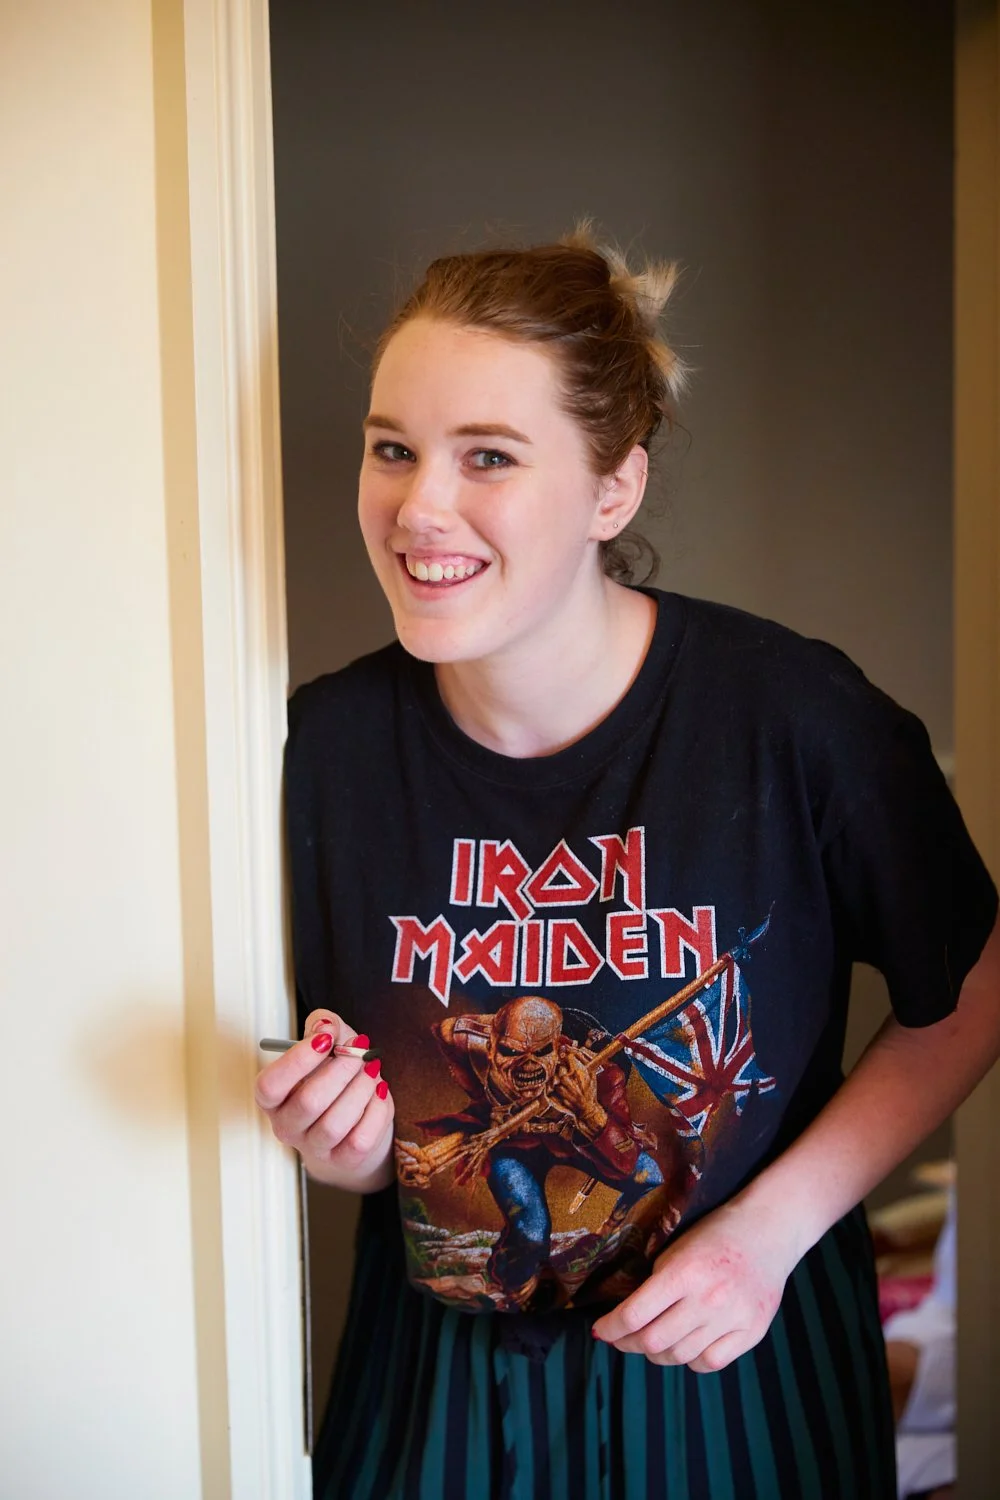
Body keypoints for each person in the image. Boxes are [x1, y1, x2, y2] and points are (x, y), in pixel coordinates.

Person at [255, 227, 1000, 1500]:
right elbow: (384, 1126)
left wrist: (765, 1239)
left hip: (740, 1345)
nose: (418, 506)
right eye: (393, 448)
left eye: (487, 456)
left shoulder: (794, 718)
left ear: (615, 490)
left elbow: (968, 990)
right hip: (436, 1375)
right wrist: (344, 1149)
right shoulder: (314, 748)